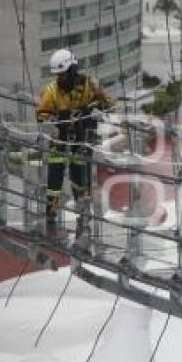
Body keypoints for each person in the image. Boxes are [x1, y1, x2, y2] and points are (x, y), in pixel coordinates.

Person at [36, 48, 114, 236]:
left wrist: (94, 109)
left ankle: (83, 214)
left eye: (62, 75)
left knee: (80, 178)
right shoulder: (52, 91)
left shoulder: (90, 85)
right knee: (54, 178)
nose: (60, 79)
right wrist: (60, 119)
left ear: (72, 71)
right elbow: (42, 115)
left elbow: (109, 103)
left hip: (81, 140)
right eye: (58, 76)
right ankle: (50, 215)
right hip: (60, 139)